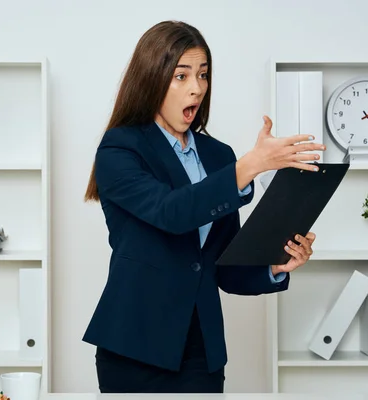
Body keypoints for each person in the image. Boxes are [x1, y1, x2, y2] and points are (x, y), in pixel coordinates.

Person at [81, 20, 325, 393]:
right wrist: (249, 166)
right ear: (151, 78)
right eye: (181, 76)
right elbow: (171, 212)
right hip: (134, 347)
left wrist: (275, 264)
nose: (196, 88)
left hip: (201, 351)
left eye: (203, 75)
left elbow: (223, 268)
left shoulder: (217, 155)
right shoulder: (120, 149)